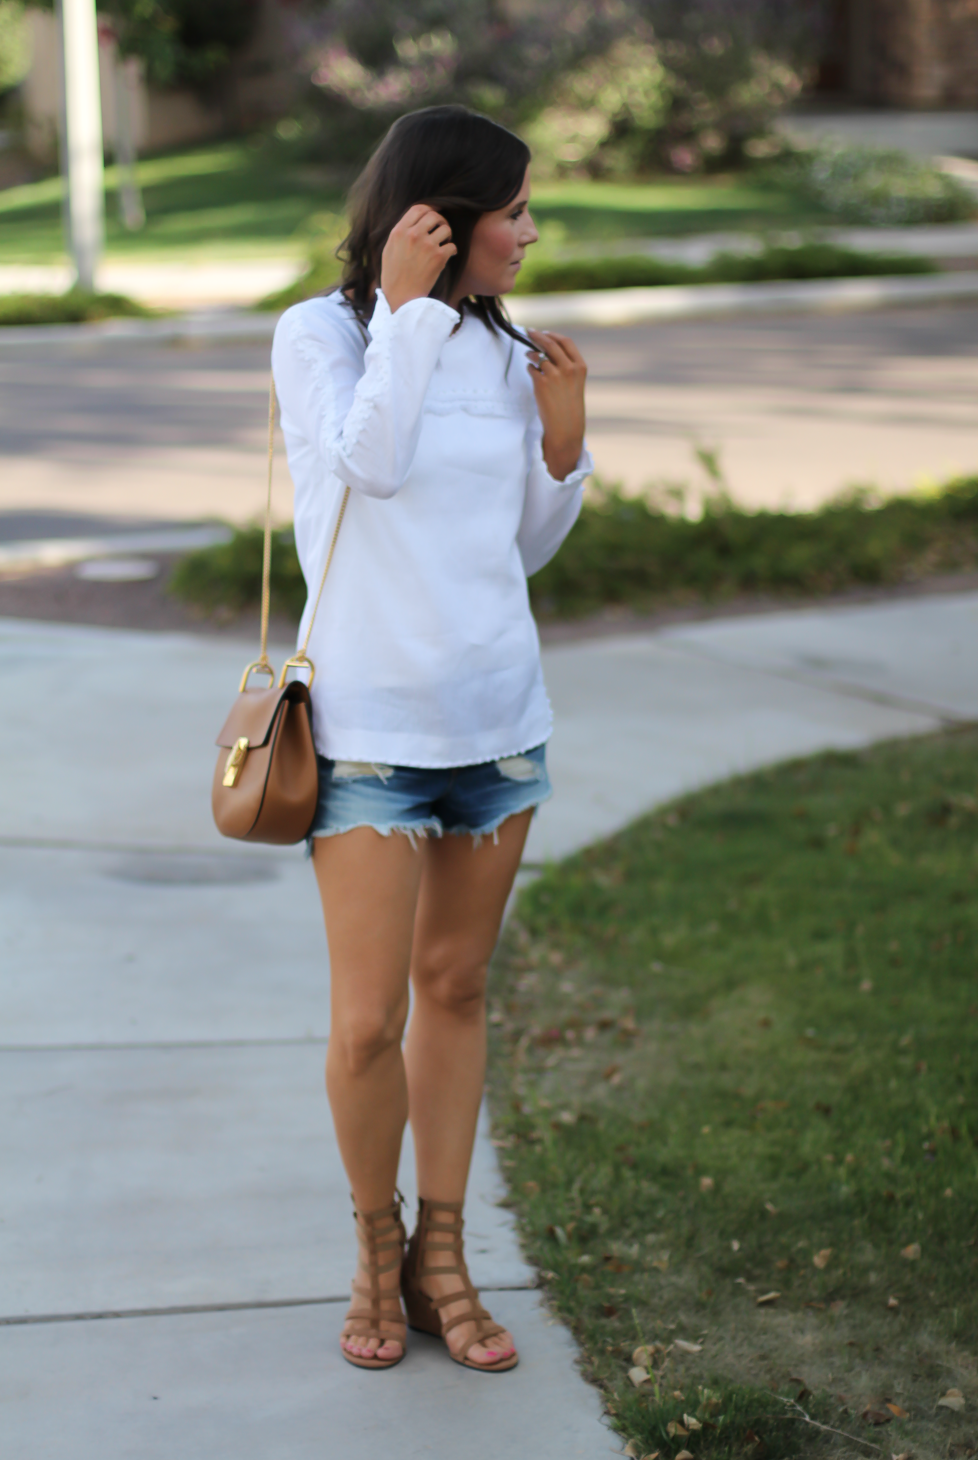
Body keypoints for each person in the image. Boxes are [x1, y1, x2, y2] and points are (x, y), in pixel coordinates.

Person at [271, 104, 592, 1373]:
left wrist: (562, 450)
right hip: (368, 730)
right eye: (510, 208)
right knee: (365, 1021)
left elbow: (507, 553)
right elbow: (372, 468)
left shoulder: (508, 353)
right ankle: (371, 1244)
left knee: (453, 988)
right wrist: (404, 313)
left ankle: (442, 1256)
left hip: (497, 721)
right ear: (437, 217)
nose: (527, 229)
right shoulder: (323, 334)